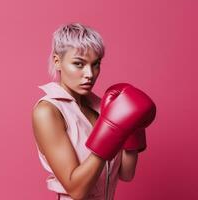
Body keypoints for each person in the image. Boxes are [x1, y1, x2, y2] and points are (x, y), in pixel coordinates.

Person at [32, 22, 156, 200]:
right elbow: (77, 190)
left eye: (96, 64)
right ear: (57, 62)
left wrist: (134, 127)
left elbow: (126, 174)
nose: (90, 74)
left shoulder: (103, 108)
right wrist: (110, 133)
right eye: (79, 64)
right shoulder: (48, 111)